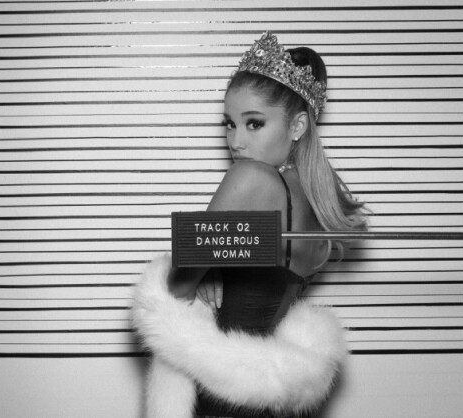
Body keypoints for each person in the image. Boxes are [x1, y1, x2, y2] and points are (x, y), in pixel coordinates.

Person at [132, 31, 367, 418]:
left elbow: (176, 290)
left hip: (217, 399)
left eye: (254, 124)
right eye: (229, 124)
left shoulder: (251, 179)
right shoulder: (315, 203)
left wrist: (191, 276)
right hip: (266, 400)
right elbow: (262, 283)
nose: (235, 141)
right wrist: (214, 270)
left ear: (297, 127)